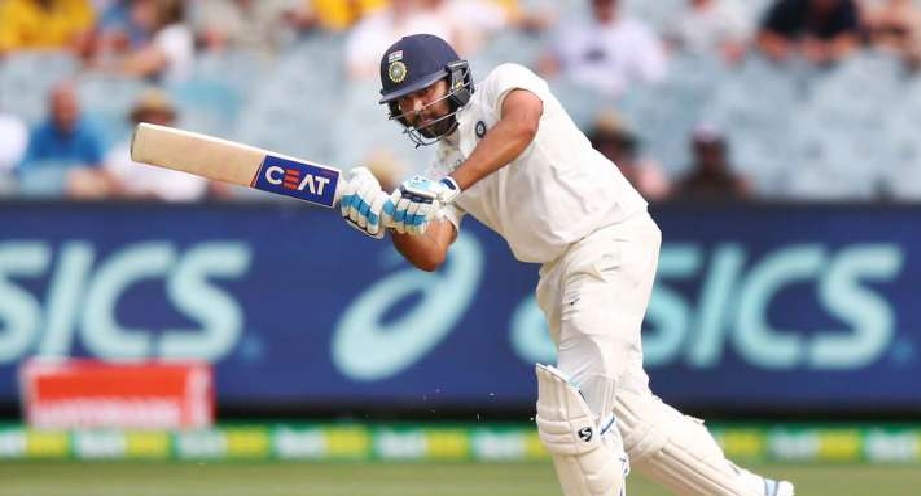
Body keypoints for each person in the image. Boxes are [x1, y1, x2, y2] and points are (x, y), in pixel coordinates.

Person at [337, 33, 795, 496]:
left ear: (454, 79)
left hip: (608, 237)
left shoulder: (503, 85)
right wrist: (389, 219)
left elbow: (522, 126)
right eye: (405, 101)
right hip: (558, 273)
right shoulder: (440, 170)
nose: (417, 108)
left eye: (424, 92)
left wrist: (450, 186)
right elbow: (432, 252)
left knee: (573, 413)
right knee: (631, 421)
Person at [537, 0, 667, 98]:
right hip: (573, 98)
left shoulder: (639, 34)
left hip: (615, 103)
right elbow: (547, 68)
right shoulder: (569, 28)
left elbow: (652, 79)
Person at [757, 0, 862, 65]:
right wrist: (791, 49)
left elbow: (851, 40)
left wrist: (826, 50)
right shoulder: (790, 5)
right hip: (786, 65)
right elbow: (763, 36)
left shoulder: (846, 8)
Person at [673, 123, 752, 201]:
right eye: (703, 151)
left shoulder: (739, 187)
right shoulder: (682, 188)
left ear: (722, 151)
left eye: (713, 151)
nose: (708, 157)